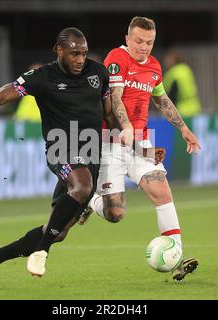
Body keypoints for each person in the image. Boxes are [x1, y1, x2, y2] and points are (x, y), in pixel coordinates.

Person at [0, 27, 114, 285]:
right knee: (82, 187)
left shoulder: (98, 72)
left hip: (91, 153)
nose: (80, 59)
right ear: (58, 51)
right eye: (74, 54)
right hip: (61, 149)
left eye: (83, 53)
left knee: (56, 230)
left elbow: (109, 115)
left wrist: (139, 147)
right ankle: (41, 252)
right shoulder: (42, 77)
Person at [79, 17, 201, 282]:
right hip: (110, 142)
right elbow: (115, 97)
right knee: (115, 214)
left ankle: (176, 257)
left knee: (161, 191)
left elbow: (162, 99)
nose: (144, 47)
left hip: (140, 142)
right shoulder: (117, 58)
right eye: (138, 41)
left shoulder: (155, 67)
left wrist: (183, 128)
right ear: (127, 39)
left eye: (149, 42)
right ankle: (90, 201)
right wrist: (125, 127)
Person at [163, 49, 201, 117]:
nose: (166, 62)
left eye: (168, 59)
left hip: (181, 111)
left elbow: (173, 94)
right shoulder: (186, 69)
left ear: (173, 60)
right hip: (195, 108)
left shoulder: (173, 73)